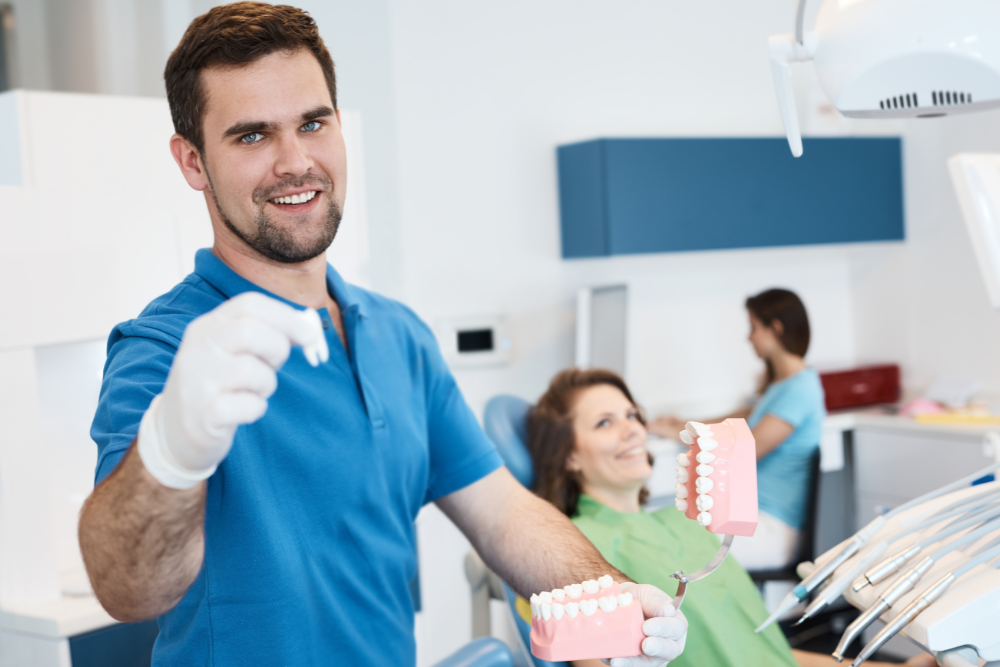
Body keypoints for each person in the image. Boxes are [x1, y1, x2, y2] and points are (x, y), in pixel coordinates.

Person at [76, 4, 685, 665]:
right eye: (252, 136)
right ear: (193, 161)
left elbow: (503, 513)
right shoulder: (166, 349)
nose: (294, 161)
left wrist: (617, 595)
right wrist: (172, 449)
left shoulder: (398, 336)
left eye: (313, 123)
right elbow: (126, 588)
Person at [527, 368, 935, 667]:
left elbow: (763, 655)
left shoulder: (687, 524)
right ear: (568, 454)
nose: (632, 430)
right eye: (605, 422)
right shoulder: (574, 547)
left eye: (633, 415)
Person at [650, 288, 825, 570]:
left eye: (753, 327)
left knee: (671, 537)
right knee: (665, 525)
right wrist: (682, 424)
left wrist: (683, 434)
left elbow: (742, 455)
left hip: (771, 530)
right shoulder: (779, 386)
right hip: (751, 518)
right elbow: (733, 421)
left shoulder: (799, 390)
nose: (749, 337)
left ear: (775, 328)